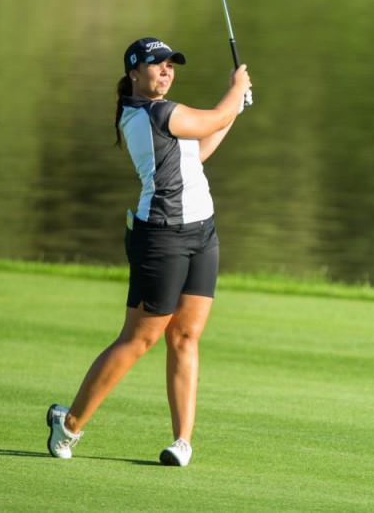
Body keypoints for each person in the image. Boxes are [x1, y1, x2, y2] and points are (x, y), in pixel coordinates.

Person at [46, 37, 252, 466]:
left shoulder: (163, 113)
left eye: (170, 65)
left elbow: (198, 153)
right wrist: (236, 90)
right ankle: (68, 425)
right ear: (134, 73)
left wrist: (234, 110)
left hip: (202, 233)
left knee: (186, 336)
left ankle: (182, 442)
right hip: (161, 237)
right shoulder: (153, 112)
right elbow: (213, 117)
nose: (165, 71)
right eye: (157, 64)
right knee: (140, 338)